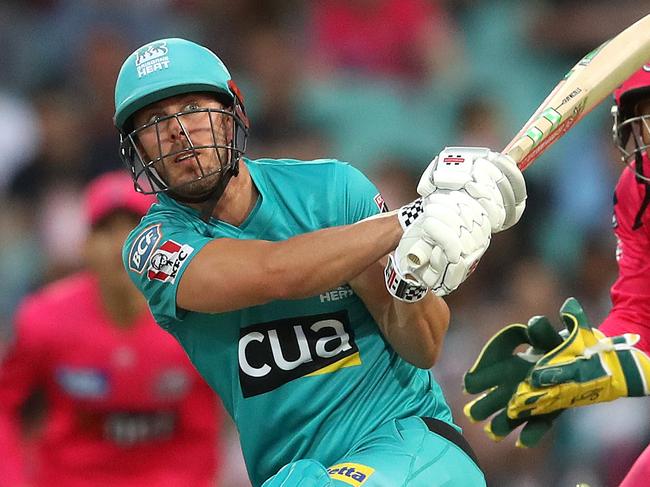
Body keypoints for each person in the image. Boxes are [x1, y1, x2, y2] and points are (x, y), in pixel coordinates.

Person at [114, 37, 527, 486]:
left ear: (235, 112)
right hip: (296, 474)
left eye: (192, 107)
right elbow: (276, 273)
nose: (176, 130)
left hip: (410, 445)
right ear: (138, 150)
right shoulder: (154, 247)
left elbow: (423, 346)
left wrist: (410, 275)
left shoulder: (332, 190)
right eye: (155, 120)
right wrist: (411, 218)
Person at [462, 64, 650, 487]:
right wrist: (582, 358)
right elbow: (639, 317)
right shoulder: (637, 191)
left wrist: (612, 371)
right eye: (648, 126)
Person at [0, 171, 226, 487]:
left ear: (161, 241)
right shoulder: (43, 319)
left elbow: (212, 423)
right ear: (86, 245)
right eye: (106, 230)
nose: (122, 244)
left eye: (135, 227)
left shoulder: (196, 319)